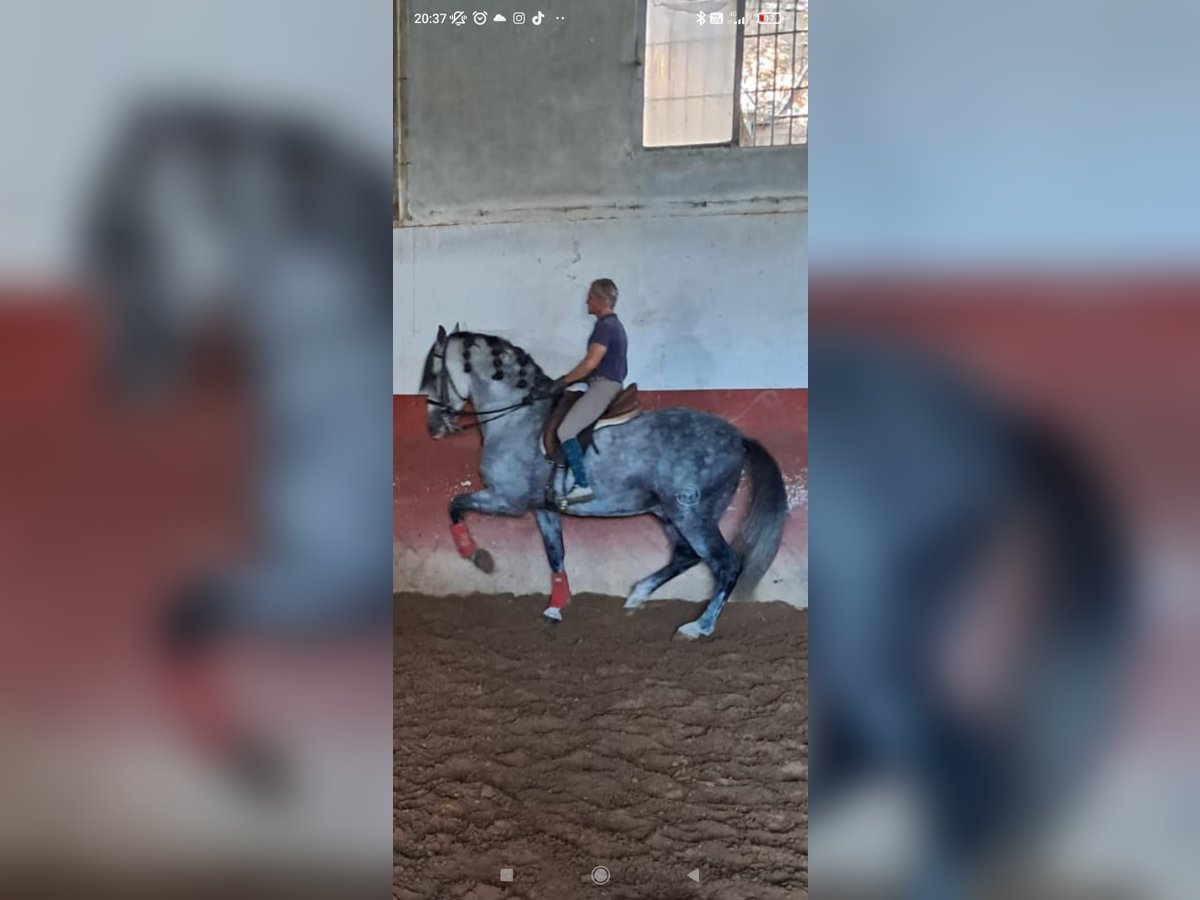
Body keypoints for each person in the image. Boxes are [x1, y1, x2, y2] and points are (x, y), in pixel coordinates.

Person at [549, 278, 628, 504]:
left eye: (590, 296)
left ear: (600, 299)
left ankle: (582, 485)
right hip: (601, 382)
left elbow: (590, 363)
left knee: (565, 430)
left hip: (604, 385)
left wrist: (563, 381)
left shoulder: (605, 326)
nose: (586, 301)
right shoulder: (612, 325)